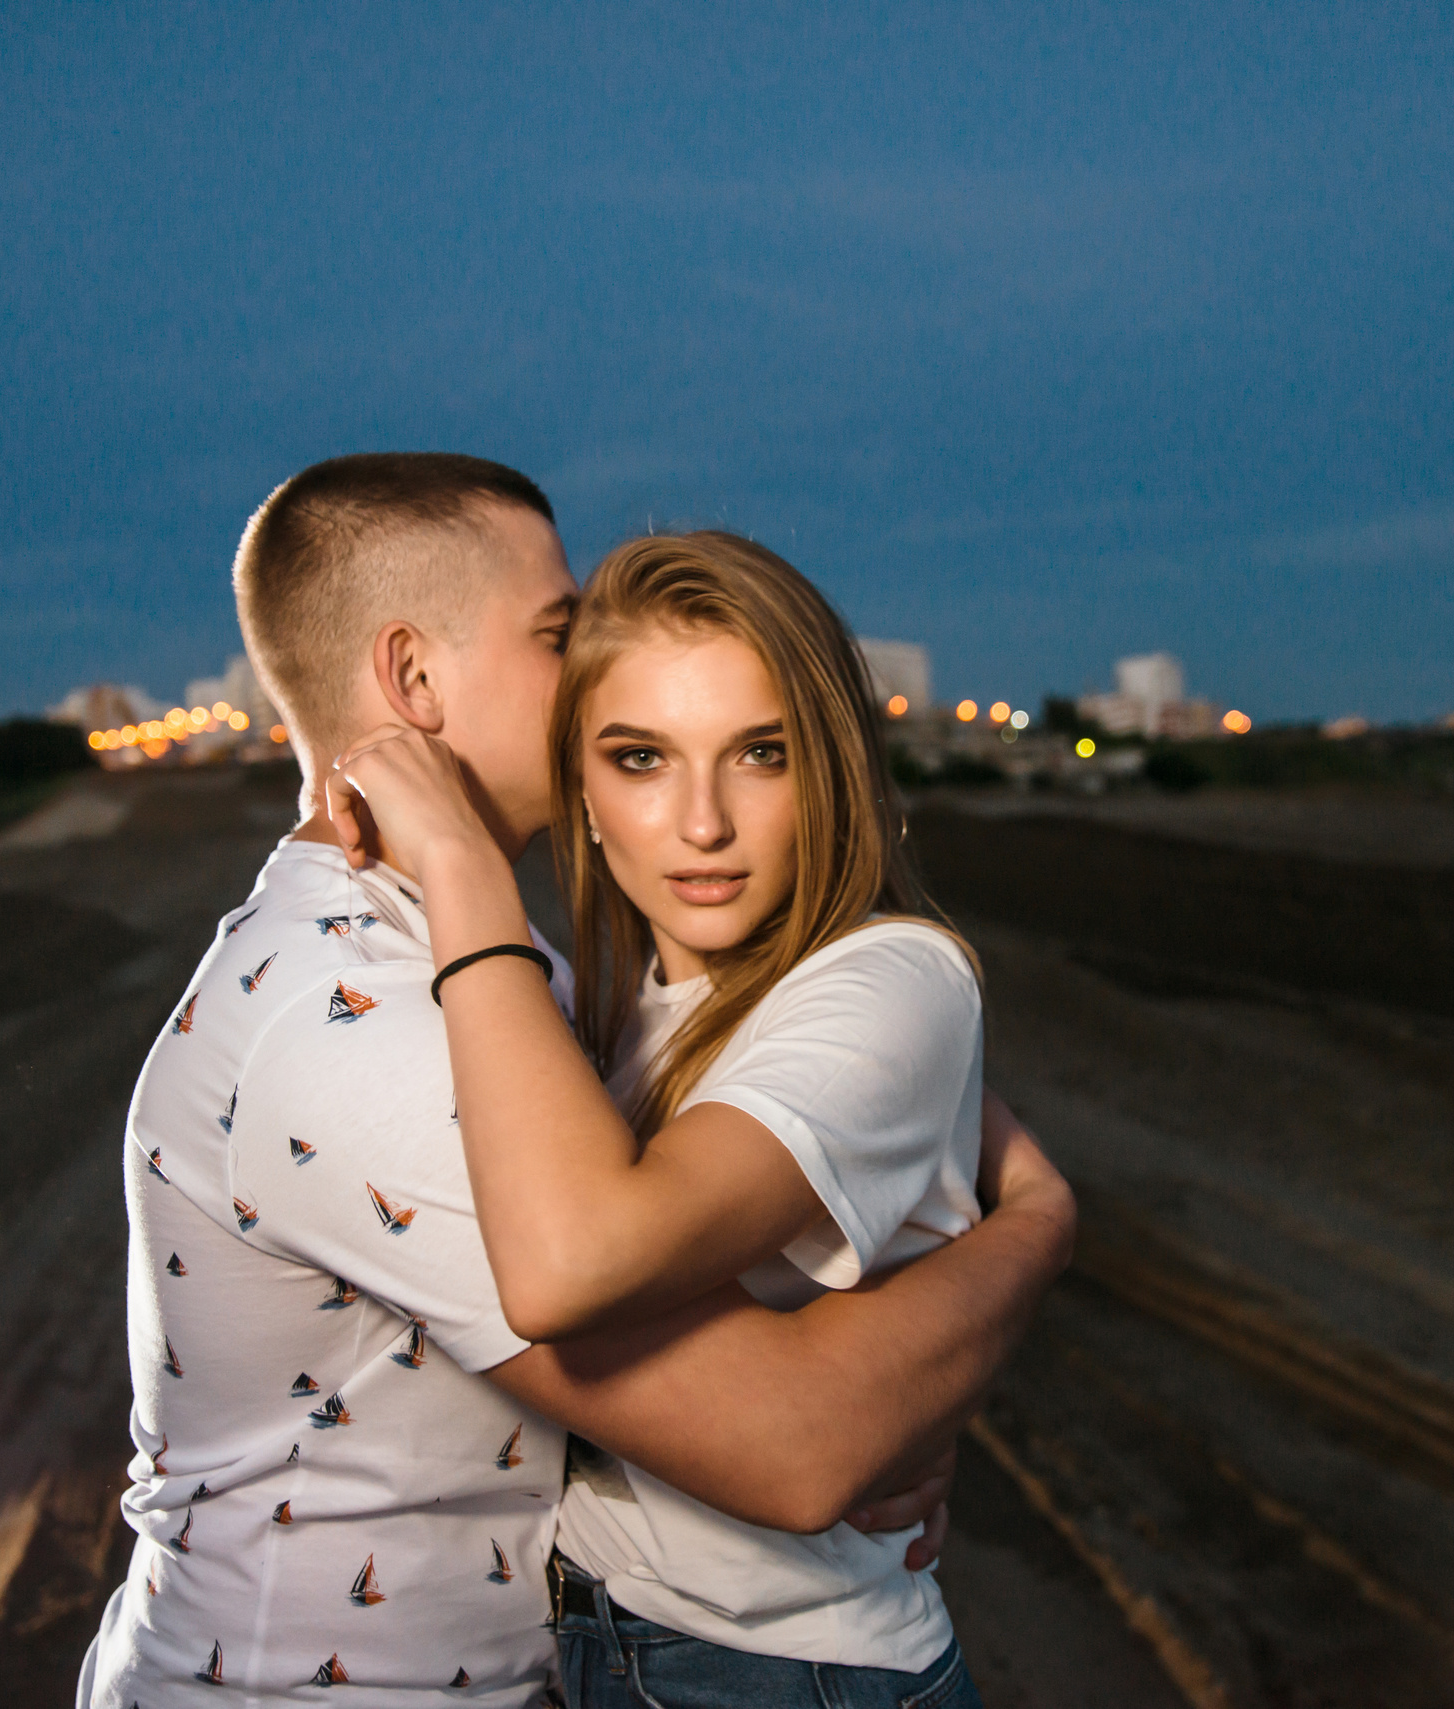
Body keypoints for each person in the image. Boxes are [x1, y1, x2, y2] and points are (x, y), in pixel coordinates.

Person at [79, 455, 1075, 1707]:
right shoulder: (362, 1026)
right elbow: (791, 1441)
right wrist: (1032, 1233)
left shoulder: (471, 965)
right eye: (559, 632)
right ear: (413, 678)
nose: (589, 660)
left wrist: (908, 1394)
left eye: (759, 751)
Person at [324, 530, 1003, 1708]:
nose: (702, 822)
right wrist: (1032, 1220)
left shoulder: (890, 976)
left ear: (831, 768)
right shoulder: (613, 1012)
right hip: (606, 1637)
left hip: (789, 1672)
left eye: (760, 754)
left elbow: (571, 1266)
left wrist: (457, 860)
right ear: (583, 787)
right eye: (640, 757)